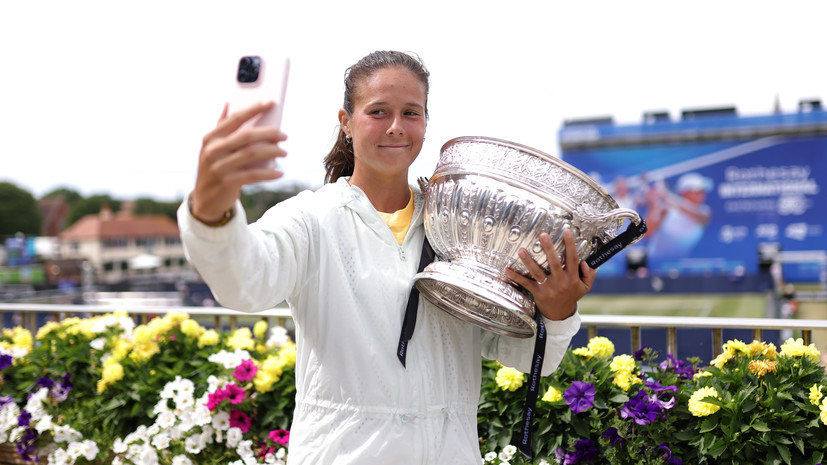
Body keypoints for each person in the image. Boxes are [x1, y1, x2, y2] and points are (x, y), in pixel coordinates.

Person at [178, 50, 596, 464]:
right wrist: (211, 210)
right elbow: (243, 283)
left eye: (411, 113)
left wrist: (557, 314)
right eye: (378, 111)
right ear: (346, 122)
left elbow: (521, 355)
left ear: (427, 123)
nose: (396, 127)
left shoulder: (459, 227)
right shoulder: (311, 219)